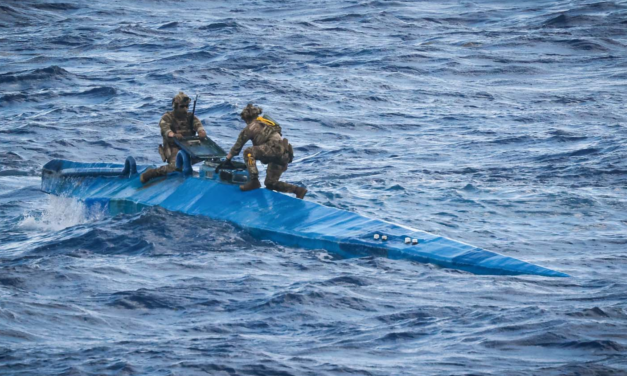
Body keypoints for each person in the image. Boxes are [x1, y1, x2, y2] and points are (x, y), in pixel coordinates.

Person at [226, 104, 307, 199]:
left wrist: (227, 160)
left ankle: (254, 181)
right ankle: (298, 190)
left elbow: (236, 148)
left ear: (246, 119)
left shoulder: (251, 127)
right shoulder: (268, 123)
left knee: (248, 152)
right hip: (284, 153)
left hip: (274, 150)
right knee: (270, 183)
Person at [140, 92, 207, 184]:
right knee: (174, 167)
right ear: (175, 106)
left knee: (209, 156)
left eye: (187, 106)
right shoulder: (167, 117)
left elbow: (198, 125)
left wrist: (201, 132)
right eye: (182, 106)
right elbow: (166, 130)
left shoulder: (191, 117)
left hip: (189, 146)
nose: (185, 109)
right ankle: (152, 173)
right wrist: (174, 135)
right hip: (173, 147)